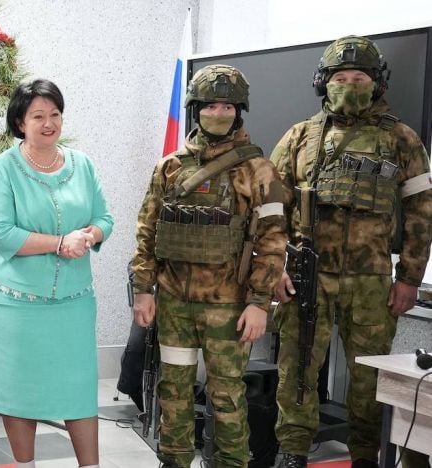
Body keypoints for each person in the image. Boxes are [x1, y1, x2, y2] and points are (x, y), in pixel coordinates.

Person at [271, 35, 432, 468]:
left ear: (377, 83)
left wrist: (410, 278)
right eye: (340, 78)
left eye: (359, 77)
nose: (349, 85)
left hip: (371, 281)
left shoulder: (401, 139)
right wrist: (274, 268)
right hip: (306, 277)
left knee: (369, 378)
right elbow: (269, 210)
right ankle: (292, 452)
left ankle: (365, 456)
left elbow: (421, 212)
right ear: (323, 82)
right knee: (297, 370)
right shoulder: (299, 137)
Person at [131, 64, 287, 468]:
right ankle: (174, 461)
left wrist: (259, 303)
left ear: (239, 112)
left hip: (229, 307)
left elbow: (273, 241)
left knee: (227, 395)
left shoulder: (259, 170)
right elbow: (147, 231)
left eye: (228, 107)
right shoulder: (170, 167)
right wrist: (144, 290)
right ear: (196, 109)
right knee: (173, 391)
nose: (219, 113)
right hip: (175, 305)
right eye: (211, 106)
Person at [0, 78, 113, 468]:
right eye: (38, 116)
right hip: (14, 302)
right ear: (20, 122)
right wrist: (58, 242)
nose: (48, 123)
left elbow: (104, 218)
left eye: (55, 114)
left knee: (79, 387)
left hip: (73, 302)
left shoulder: (82, 164)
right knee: (20, 390)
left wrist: (89, 235)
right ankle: (26, 465)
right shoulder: (3, 168)